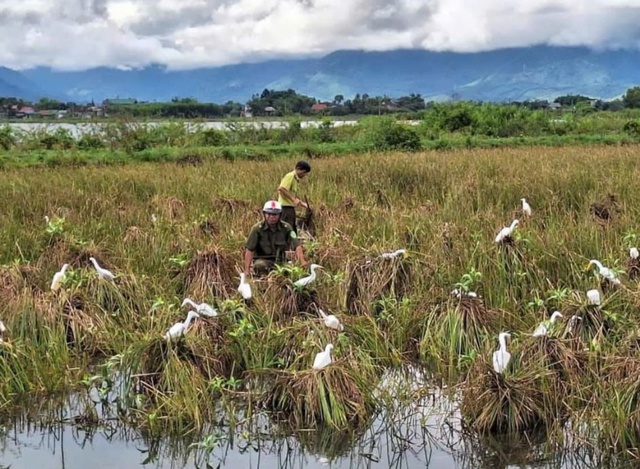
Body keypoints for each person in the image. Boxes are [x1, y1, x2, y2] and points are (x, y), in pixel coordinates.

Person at [244, 200, 309, 277]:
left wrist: (302, 262)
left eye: (275, 214)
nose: (272, 217)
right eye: (269, 214)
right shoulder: (257, 229)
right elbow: (249, 250)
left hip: (281, 261)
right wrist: (247, 270)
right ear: (264, 214)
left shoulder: (286, 227)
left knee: (291, 271)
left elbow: (297, 246)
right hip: (263, 260)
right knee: (260, 265)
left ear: (280, 215)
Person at [276, 160, 311, 233]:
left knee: (291, 229)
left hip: (290, 208)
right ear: (298, 169)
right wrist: (293, 199)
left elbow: (291, 194)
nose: (304, 175)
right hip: (285, 208)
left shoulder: (295, 179)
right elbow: (281, 189)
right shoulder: (290, 176)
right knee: (286, 230)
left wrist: (302, 204)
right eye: (303, 172)